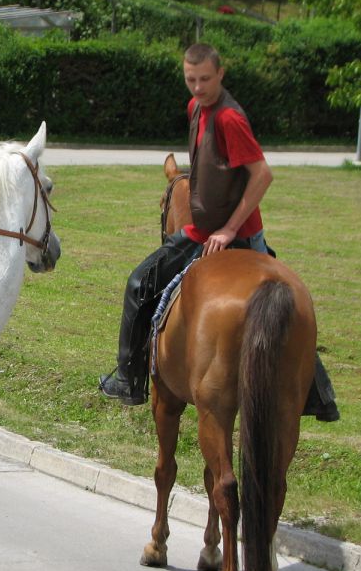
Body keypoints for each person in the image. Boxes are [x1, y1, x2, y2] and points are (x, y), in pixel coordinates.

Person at [99, 43, 339, 423]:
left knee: (143, 285)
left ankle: (129, 379)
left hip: (229, 233)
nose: (197, 87)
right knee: (144, 284)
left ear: (221, 74)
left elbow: (262, 175)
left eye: (205, 79)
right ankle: (130, 378)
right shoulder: (196, 108)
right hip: (202, 229)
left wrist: (228, 230)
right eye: (190, 79)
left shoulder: (229, 118)